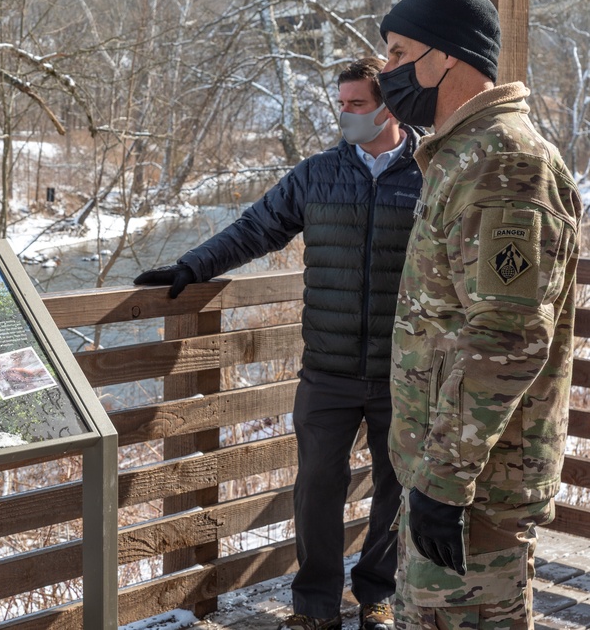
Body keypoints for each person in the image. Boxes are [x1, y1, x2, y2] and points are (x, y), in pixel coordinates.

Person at [135, 58, 423, 630]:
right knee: (317, 486)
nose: (345, 114)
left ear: (388, 106)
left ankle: (377, 596)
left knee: (399, 488)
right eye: (340, 103)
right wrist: (192, 265)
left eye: (356, 105)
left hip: (405, 370)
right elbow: (255, 229)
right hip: (328, 369)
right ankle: (315, 607)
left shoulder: (431, 173)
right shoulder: (317, 175)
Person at [378, 0, 584, 629]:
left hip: (475, 490)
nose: (386, 70)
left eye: (398, 51)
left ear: (448, 57)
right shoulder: (466, 156)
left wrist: (443, 481)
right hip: (456, 476)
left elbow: (507, 338)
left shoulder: (505, 165)